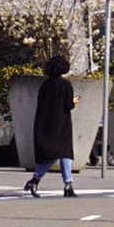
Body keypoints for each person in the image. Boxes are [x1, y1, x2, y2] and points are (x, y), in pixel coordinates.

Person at [25, 55, 79, 198]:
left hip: (46, 123)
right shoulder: (65, 85)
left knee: (54, 155)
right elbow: (68, 104)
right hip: (61, 124)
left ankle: (64, 183)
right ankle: (66, 185)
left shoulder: (45, 85)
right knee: (64, 154)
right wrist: (73, 101)